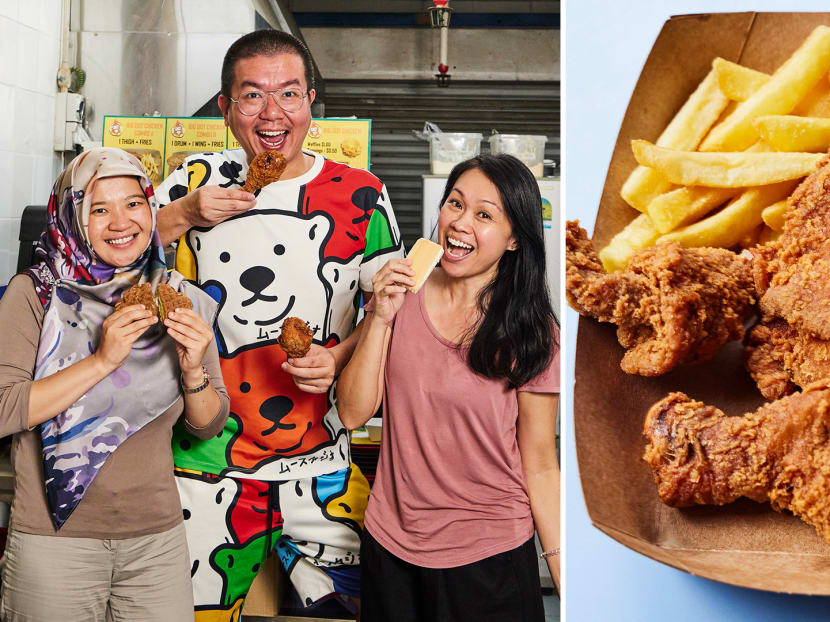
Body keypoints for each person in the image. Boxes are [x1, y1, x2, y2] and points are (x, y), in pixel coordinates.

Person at [153, 29, 403, 617]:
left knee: (375, 603)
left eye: (289, 94)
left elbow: (387, 311)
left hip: (322, 465)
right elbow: (110, 258)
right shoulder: (193, 182)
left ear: (311, 101)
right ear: (225, 107)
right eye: (252, 96)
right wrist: (183, 214)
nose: (272, 113)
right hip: (205, 468)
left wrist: (337, 357)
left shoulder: (362, 195)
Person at [0, 147, 230, 621]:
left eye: (133, 203)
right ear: (72, 217)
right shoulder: (35, 294)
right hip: (54, 542)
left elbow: (208, 425)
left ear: (151, 206)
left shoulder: (178, 295)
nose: (121, 222)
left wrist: (193, 373)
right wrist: (103, 360)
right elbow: (5, 410)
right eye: (99, 209)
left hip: (156, 541)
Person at [337, 154, 561, 621]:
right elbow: (353, 413)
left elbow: (540, 463)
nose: (460, 223)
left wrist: (566, 576)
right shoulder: (403, 292)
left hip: (489, 557)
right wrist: (380, 316)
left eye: (484, 215)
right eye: (455, 204)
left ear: (515, 238)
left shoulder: (531, 330)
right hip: (391, 549)